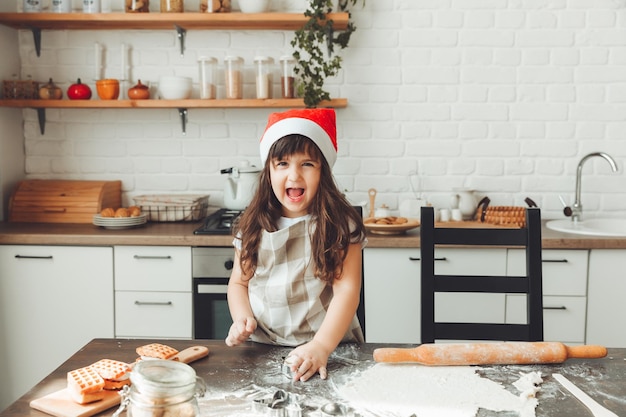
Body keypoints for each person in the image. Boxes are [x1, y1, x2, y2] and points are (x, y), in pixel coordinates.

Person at [225, 108, 367, 382]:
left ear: (323, 171)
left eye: (307, 164)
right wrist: (242, 318)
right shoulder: (252, 223)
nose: (294, 175)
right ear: (268, 170)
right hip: (264, 348)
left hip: (330, 349)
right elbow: (238, 283)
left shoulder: (339, 223)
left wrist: (322, 345)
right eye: (282, 164)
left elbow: (347, 291)